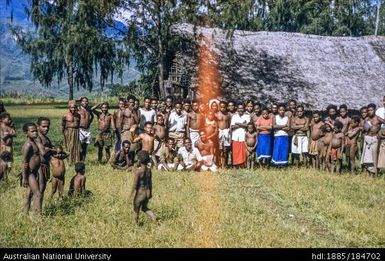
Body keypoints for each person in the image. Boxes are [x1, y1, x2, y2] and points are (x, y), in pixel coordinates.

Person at [130, 150, 158, 224]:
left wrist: (131, 194)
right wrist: (150, 192)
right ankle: (154, 217)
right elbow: (150, 182)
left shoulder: (139, 172)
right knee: (144, 208)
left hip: (140, 193)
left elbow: (135, 184)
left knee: (136, 209)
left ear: (139, 159)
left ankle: (135, 224)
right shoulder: (149, 170)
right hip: (147, 192)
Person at [22, 123, 42, 214]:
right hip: (29, 173)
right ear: (26, 133)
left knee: (29, 195)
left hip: (34, 172)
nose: (35, 133)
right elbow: (24, 162)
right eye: (32, 131)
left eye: (36, 131)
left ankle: (25, 214)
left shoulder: (34, 142)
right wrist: (24, 177)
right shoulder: (28, 145)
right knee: (37, 194)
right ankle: (37, 216)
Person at [35, 117, 55, 201]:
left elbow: (50, 151)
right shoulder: (37, 137)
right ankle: (35, 210)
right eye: (43, 126)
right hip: (38, 166)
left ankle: (38, 210)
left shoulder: (46, 138)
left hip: (45, 166)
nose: (46, 128)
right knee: (38, 189)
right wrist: (51, 150)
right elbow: (43, 151)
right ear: (37, 126)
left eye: (48, 126)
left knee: (42, 189)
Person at [361, 104, 381, 177]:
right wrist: (365, 128)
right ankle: (368, 172)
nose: (369, 112)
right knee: (367, 156)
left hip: (375, 138)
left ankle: (374, 173)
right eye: (368, 110)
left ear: (375, 110)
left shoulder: (378, 119)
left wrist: (381, 132)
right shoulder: (367, 119)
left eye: (371, 110)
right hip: (367, 138)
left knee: (374, 156)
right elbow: (364, 129)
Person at [230, 103, 250, 168]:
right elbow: (232, 127)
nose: (240, 110)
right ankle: (235, 165)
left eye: (242, 108)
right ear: (237, 109)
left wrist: (238, 123)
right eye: (239, 108)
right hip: (236, 136)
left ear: (244, 109)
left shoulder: (247, 116)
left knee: (243, 151)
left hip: (243, 136)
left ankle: (243, 165)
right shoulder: (234, 116)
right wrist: (242, 124)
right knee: (235, 152)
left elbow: (248, 126)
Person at [62, 100, 81, 165]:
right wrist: (65, 133)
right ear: (69, 107)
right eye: (71, 107)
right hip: (69, 132)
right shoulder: (65, 116)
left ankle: (76, 160)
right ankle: (69, 161)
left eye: (74, 107)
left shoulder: (78, 115)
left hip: (76, 131)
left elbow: (78, 124)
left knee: (76, 146)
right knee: (70, 146)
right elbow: (63, 125)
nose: (73, 109)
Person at [121, 95, 139, 163]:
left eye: (133, 102)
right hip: (126, 131)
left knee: (133, 147)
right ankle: (123, 161)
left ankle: (132, 162)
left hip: (133, 132)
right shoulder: (124, 111)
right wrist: (121, 132)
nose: (132, 104)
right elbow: (120, 122)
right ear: (128, 102)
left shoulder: (137, 111)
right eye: (131, 102)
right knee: (125, 147)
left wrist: (134, 111)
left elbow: (137, 121)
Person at [78, 97, 94, 161]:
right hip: (80, 129)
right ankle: (79, 159)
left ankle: (83, 161)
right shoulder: (78, 109)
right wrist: (78, 99)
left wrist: (89, 122)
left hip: (87, 129)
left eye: (86, 101)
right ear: (81, 102)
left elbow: (92, 116)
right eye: (83, 101)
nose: (85, 102)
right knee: (80, 146)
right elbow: (71, 102)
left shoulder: (88, 110)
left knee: (85, 146)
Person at [216, 101, 232, 168]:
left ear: (226, 107)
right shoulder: (216, 114)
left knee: (225, 149)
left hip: (226, 132)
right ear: (219, 107)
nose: (223, 108)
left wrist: (229, 131)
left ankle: (225, 164)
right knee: (220, 149)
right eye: (221, 107)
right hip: (219, 132)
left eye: (224, 107)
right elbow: (216, 123)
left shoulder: (228, 114)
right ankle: (219, 163)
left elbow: (230, 124)